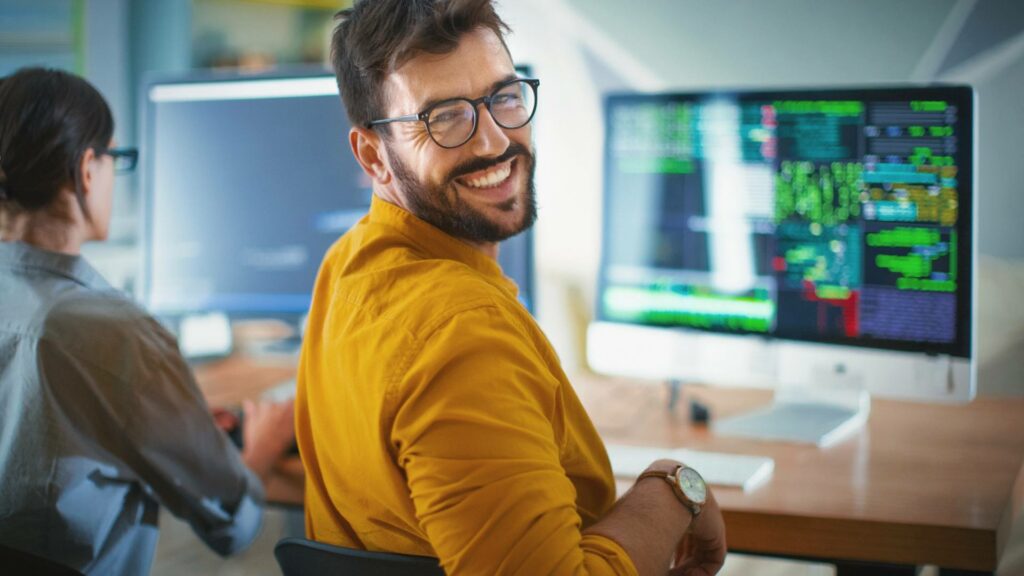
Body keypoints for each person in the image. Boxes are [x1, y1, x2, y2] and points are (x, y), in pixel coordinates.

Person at [294, 1, 727, 574]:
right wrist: (675, 489)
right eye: (444, 117)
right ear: (374, 156)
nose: (494, 142)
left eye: (504, 96)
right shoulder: (463, 332)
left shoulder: (347, 265)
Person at [0, 67, 296, 575]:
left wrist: (167, 405)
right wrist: (266, 441)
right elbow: (231, 523)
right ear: (87, 169)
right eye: (117, 158)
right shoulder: (112, 330)